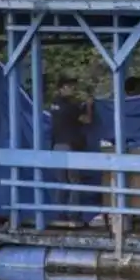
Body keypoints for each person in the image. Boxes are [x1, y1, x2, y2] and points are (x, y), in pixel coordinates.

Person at [50, 76, 93, 211]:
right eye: (70, 86)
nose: (73, 89)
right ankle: (73, 213)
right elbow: (87, 120)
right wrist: (89, 106)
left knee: (61, 181)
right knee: (74, 181)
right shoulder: (70, 106)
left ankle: (58, 212)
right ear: (62, 88)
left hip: (56, 145)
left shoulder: (53, 104)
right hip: (69, 145)